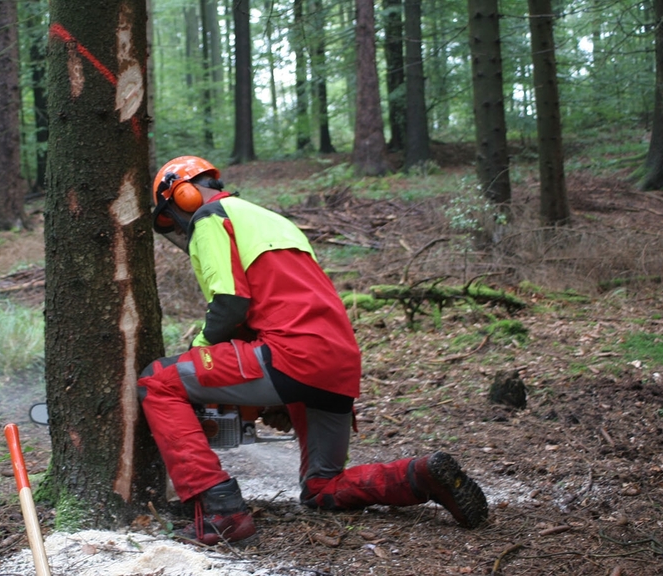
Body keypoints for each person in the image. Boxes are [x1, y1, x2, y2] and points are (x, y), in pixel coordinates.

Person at [137, 156, 488, 545]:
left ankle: (220, 510)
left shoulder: (211, 217)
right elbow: (278, 301)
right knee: (323, 487)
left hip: (291, 355)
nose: (180, 227)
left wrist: (197, 352)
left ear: (183, 195)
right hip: (338, 363)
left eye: (174, 216)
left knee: (159, 381)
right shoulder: (270, 219)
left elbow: (229, 304)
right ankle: (419, 476)